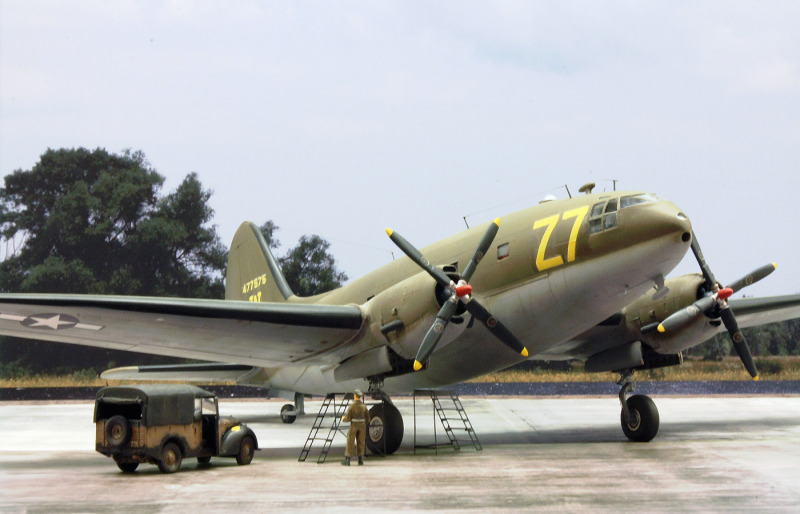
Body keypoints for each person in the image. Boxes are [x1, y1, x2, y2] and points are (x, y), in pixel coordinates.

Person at [341, 389, 370, 466]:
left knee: (350, 441)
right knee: (361, 442)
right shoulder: (364, 406)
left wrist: (343, 418)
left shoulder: (352, 406)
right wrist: (363, 423)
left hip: (354, 425)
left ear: (355, 395)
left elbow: (348, 418)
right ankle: (360, 460)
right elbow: (368, 418)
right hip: (362, 425)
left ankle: (347, 460)